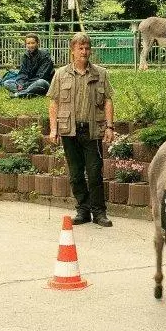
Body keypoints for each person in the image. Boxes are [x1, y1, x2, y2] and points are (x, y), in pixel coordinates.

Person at [47, 32, 115, 227]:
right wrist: (53, 129)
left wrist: (110, 126)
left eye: (87, 48)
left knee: (94, 173)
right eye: (80, 48)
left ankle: (99, 212)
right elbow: (54, 102)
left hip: (92, 130)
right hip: (69, 131)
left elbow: (108, 100)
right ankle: (83, 210)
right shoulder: (61, 74)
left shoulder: (101, 73)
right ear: (73, 51)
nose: (84, 52)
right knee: (76, 174)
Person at [3, 33, 54, 98]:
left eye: (33, 43)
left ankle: (18, 94)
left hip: (43, 83)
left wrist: (25, 85)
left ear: (38, 43)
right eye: (28, 43)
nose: (30, 45)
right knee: (7, 82)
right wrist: (20, 83)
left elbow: (42, 76)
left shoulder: (45, 55)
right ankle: (29, 92)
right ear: (26, 44)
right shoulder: (25, 56)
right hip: (28, 83)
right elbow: (22, 73)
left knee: (41, 82)